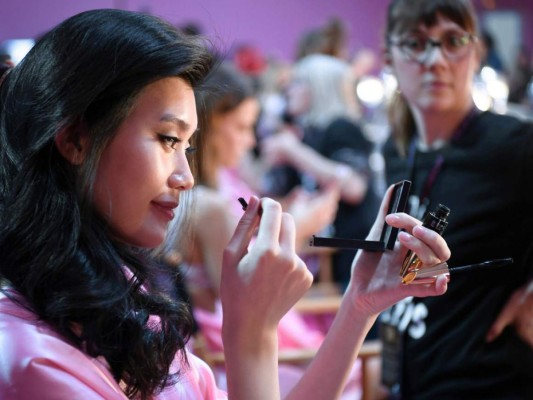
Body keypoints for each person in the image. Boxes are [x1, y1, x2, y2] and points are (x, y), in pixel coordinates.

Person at [0, 8, 450, 400]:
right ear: (76, 139)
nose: (186, 177)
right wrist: (250, 335)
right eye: (167, 139)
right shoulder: (31, 362)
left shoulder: (125, 301)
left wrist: (358, 304)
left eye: (188, 147)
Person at [380, 0, 533, 398]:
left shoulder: (514, 146)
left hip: (488, 382)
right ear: (390, 58)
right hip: (412, 374)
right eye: (416, 43)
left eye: (453, 41)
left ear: (476, 51)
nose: (435, 59)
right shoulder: (397, 151)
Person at [261, 52, 380, 291]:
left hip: (352, 258)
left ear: (318, 88)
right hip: (326, 260)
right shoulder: (308, 135)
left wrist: (293, 151)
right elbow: (268, 187)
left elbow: (354, 187)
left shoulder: (342, 127)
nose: (289, 90)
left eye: (297, 83)